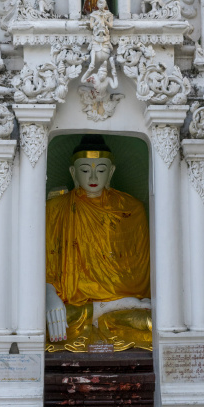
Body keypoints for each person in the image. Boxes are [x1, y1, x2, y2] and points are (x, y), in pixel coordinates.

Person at [46, 135, 151, 352]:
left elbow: (140, 277)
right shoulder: (55, 209)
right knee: (43, 324)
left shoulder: (131, 209)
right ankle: (104, 309)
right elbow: (44, 264)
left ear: (111, 172)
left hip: (124, 305)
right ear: (73, 173)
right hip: (74, 306)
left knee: (152, 323)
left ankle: (105, 311)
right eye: (85, 170)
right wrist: (49, 296)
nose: (93, 176)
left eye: (101, 170)